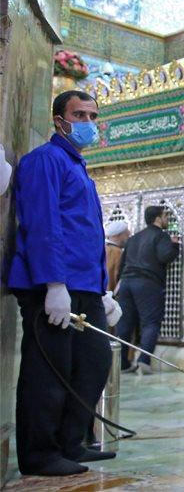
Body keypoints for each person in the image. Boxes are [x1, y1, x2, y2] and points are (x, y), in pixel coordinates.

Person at [5, 90, 122, 476]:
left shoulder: (79, 168)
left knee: (93, 361)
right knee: (49, 370)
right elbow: (43, 225)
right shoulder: (45, 161)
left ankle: (72, 442)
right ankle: (40, 454)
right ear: (60, 120)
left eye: (93, 115)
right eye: (80, 115)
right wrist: (54, 284)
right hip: (52, 286)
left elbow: (87, 234)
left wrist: (101, 289)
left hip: (84, 286)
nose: (88, 123)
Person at [115, 206, 180, 375]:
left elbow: (122, 266)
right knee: (151, 322)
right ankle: (144, 361)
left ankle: (122, 364)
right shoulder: (161, 236)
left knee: (125, 324)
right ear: (158, 219)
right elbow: (164, 256)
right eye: (165, 216)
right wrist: (174, 246)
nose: (167, 219)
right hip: (147, 283)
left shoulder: (133, 238)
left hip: (127, 283)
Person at [104, 220, 130, 294]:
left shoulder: (105, 248)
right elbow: (111, 274)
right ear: (117, 235)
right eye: (126, 235)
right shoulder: (115, 251)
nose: (128, 237)